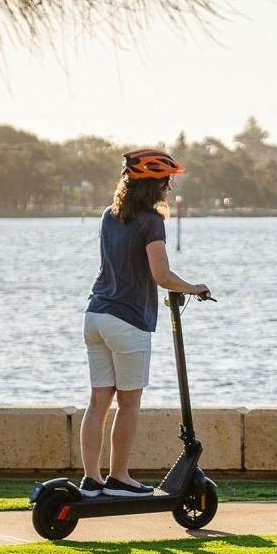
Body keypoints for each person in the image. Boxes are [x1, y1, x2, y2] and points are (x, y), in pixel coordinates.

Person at [79, 147, 211, 497]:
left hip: (95, 316)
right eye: (166, 182)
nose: (169, 188)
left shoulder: (109, 215)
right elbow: (161, 274)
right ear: (154, 185)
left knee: (98, 402)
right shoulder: (151, 221)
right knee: (129, 403)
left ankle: (91, 480)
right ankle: (119, 477)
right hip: (128, 321)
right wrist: (194, 288)